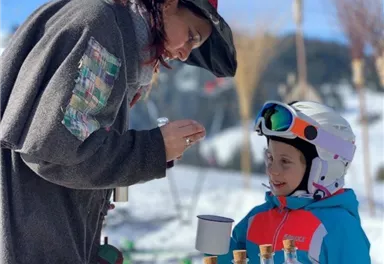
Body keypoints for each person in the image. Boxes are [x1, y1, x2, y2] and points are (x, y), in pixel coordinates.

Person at [0, 0, 237, 263]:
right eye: (192, 36)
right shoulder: (102, 29)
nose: (184, 54)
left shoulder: (109, 31)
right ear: (169, 4)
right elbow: (55, 154)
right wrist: (156, 148)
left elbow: (65, 150)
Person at [216, 101, 371, 263]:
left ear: (321, 168)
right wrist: (218, 250)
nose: (273, 170)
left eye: (285, 161)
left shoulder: (340, 228)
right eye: (270, 158)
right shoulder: (256, 218)